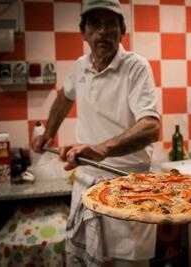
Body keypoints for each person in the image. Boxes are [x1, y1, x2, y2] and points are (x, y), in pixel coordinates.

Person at [31, 0, 160, 266]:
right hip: (87, 182)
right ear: (84, 33)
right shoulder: (80, 66)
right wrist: (48, 133)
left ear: (121, 30)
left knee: (128, 263)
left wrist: (101, 149)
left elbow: (151, 126)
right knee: (86, 260)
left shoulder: (136, 67)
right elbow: (64, 97)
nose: (103, 31)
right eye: (95, 24)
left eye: (110, 23)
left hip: (128, 185)